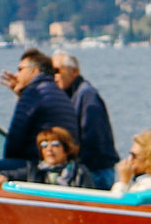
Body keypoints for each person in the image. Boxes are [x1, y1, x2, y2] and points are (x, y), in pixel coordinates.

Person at [0, 48, 77, 180]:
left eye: (20, 69)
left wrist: (7, 167)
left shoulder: (33, 93)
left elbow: (16, 136)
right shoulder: (59, 93)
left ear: (34, 71)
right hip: (61, 161)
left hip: (36, 164)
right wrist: (20, 94)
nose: (17, 75)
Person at [49, 50, 120, 188]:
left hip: (95, 171)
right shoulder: (67, 96)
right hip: (84, 170)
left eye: (57, 71)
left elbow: (91, 137)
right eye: (50, 72)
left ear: (74, 72)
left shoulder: (87, 95)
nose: (53, 76)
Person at [0, 125, 92, 189]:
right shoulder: (33, 170)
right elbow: (10, 174)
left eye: (55, 144)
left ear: (66, 149)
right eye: (44, 145)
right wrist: (2, 176)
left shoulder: (80, 173)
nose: (49, 149)